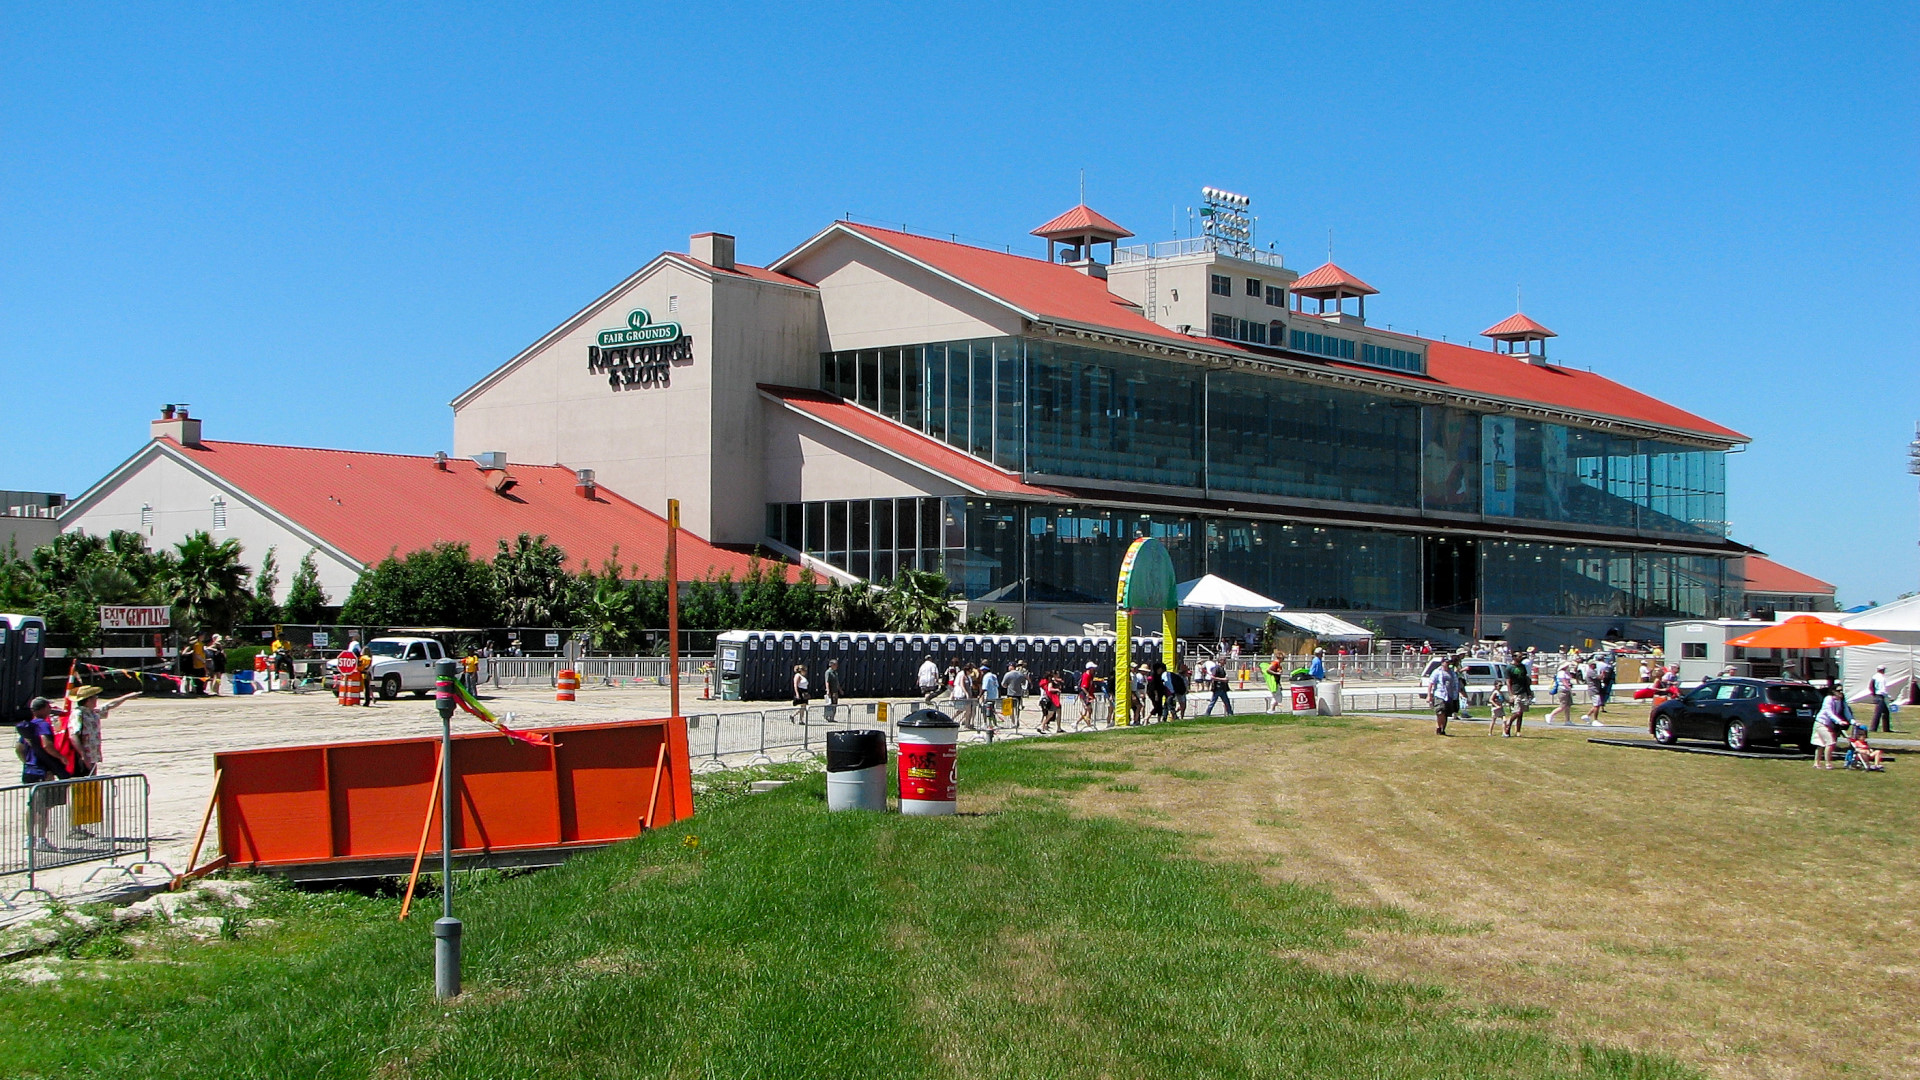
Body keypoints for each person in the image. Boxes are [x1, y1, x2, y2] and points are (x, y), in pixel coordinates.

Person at [17, 698, 68, 852]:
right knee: (43, 806)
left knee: (32, 804)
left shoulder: (28, 727)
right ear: (44, 708)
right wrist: (60, 758)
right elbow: (46, 744)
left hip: (29, 770)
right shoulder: (42, 724)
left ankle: (29, 838)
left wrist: (27, 762)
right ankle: (41, 839)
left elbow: (18, 748)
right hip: (42, 770)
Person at [1813, 687, 1847, 770]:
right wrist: (1839, 721)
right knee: (1830, 742)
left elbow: (1847, 712)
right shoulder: (1828, 699)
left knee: (1821, 744)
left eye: (1842, 690)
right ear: (1833, 691)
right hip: (1820, 723)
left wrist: (1853, 721)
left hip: (1829, 725)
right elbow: (1829, 712)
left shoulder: (1841, 701)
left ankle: (1816, 763)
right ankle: (1828, 763)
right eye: (1839, 690)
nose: (1841, 692)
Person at [1428, 657, 1463, 736]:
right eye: (1446, 662)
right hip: (1439, 694)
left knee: (1446, 713)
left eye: (1449, 662)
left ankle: (1442, 729)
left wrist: (1459, 693)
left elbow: (1456, 684)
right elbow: (1431, 683)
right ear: (1442, 663)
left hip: (1450, 695)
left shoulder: (1452, 673)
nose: (1448, 664)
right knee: (1440, 711)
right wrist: (1429, 695)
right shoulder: (1437, 672)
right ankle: (1438, 727)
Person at [1504, 659, 1533, 736]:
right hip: (1515, 692)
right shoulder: (1509, 668)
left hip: (1523, 691)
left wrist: (1529, 692)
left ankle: (1518, 731)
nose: (1521, 658)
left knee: (1521, 713)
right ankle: (1508, 724)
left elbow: (1525, 680)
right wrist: (1511, 694)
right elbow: (1508, 682)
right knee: (1517, 712)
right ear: (1514, 657)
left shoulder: (1522, 667)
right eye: (1519, 657)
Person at [1580, 661, 1609, 727]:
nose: (1595, 665)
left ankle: (1587, 716)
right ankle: (1595, 720)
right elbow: (1600, 678)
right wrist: (1603, 673)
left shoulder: (1593, 671)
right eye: (1594, 664)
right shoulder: (1591, 672)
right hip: (1594, 690)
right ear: (1591, 665)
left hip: (1595, 690)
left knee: (1596, 705)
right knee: (1597, 705)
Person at [1002, 662, 1029, 728]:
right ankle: (1017, 721)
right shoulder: (1020, 674)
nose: (1008, 667)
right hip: (1018, 694)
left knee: (1011, 709)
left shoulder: (1008, 674)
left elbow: (1003, 684)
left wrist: (1007, 686)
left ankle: (1013, 722)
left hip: (1010, 693)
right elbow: (1023, 683)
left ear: (1012, 667)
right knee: (1017, 708)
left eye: (1009, 666)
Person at [1867, 666, 1893, 733]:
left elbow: (1871, 687)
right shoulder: (1881, 678)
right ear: (1882, 670)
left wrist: (1873, 694)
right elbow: (1882, 689)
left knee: (1885, 712)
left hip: (1877, 695)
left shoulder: (1874, 676)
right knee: (1878, 713)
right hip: (1880, 696)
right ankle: (1873, 728)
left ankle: (1886, 729)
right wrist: (1888, 696)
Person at [978, 663, 1000, 731]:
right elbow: (997, 686)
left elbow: (984, 688)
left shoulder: (986, 677)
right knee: (992, 710)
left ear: (985, 670)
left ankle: (985, 723)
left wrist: (979, 695)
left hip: (988, 696)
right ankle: (994, 723)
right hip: (994, 695)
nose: (981, 672)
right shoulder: (994, 676)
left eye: (982, 670)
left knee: (985, 710)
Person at [821, 658, 842, 724]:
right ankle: (827, 716)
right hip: (831, 691)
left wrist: (840, 690)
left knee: (835, 704)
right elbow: (827, 681)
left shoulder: (835, 673)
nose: (837, 666)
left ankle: (832, 717)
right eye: (835, 665)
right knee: (830, 704)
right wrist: (828, 690)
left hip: (835, 691)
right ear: (832, 665)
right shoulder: (828, 672)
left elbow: (837, 682)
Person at [1078, 662, 1097, 727]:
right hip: (1084, 695)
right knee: (1089, 709)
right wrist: (1088, 694)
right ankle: (1088, 724)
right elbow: (1083, 687)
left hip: (1088, 695)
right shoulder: (1086, 675)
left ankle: (1077, 723)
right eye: (1093, 668)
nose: (1094, 670)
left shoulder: (1090, 675)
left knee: (1086, 711)